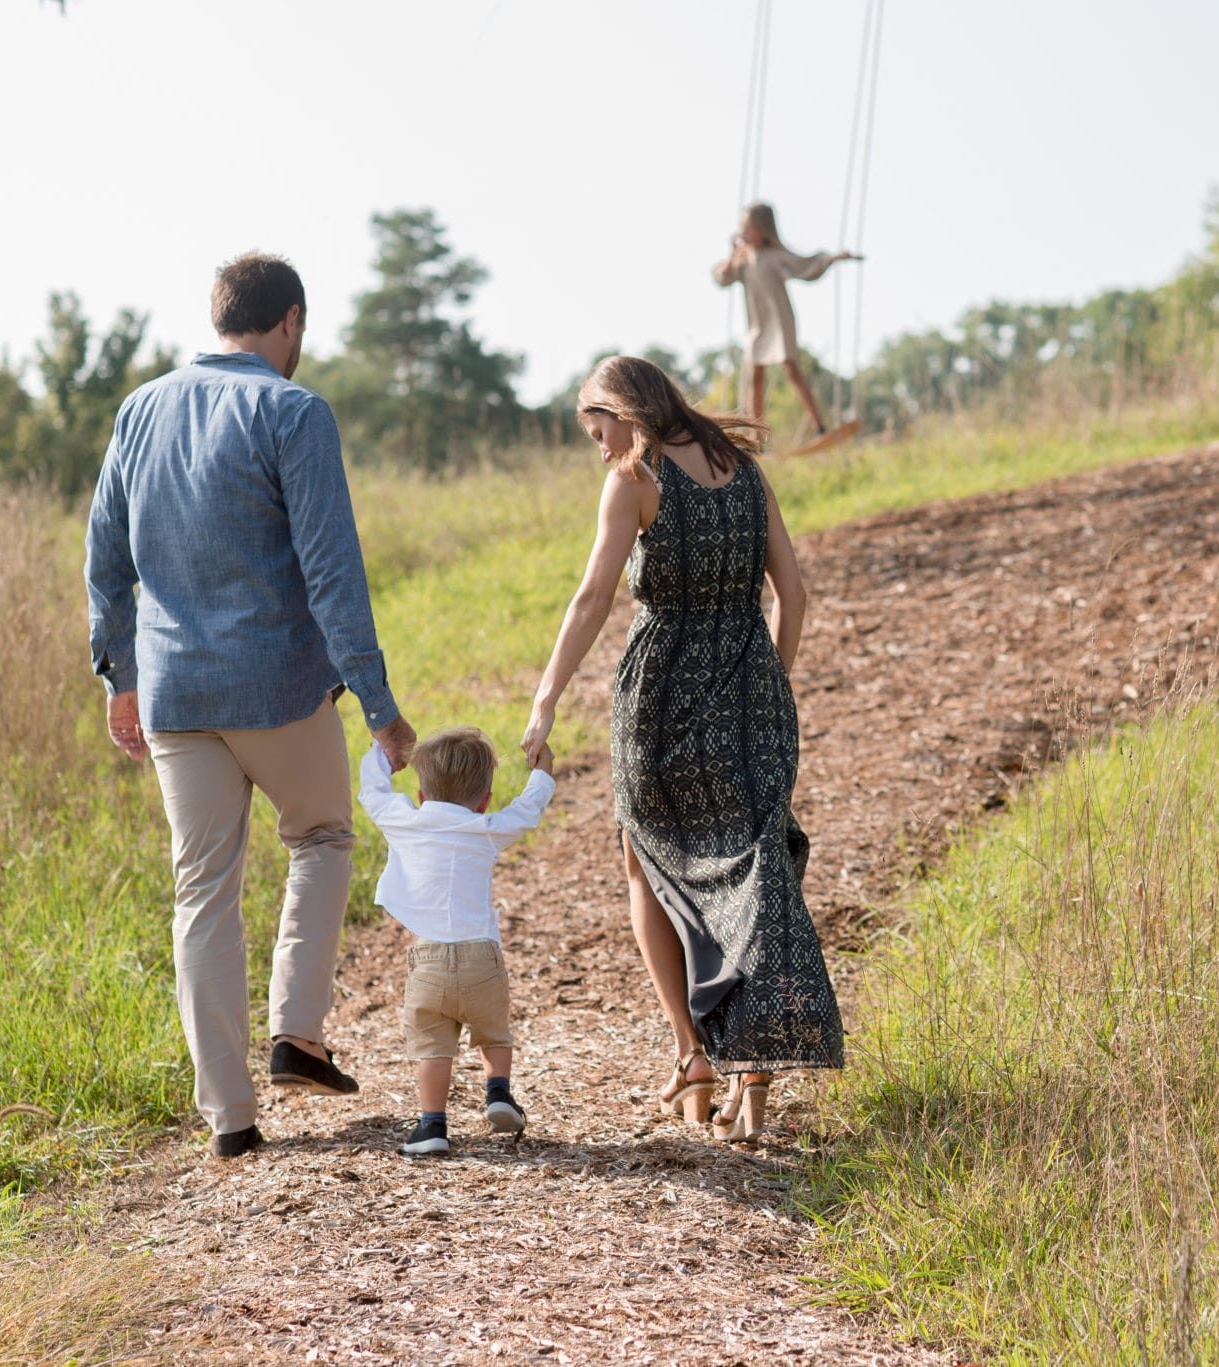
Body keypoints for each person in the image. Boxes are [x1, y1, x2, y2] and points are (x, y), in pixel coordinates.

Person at [85, 252, 415, 1161]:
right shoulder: (294, 411)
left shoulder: (139, 408)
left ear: (219, 316)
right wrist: (380, 705)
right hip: (276, 687)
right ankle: (296, 1034)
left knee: (202, 892)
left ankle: (230, 1118)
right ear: (291, 322)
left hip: (176, 695)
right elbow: (332, 569)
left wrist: (119, 675)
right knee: (320, 836)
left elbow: (104, 559)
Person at [522, 354, 843, 1144]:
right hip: (750, 695)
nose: (600, 449)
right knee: (751, 866)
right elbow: (792, 593)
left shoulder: (637, 477)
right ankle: (751, 1066)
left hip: (659, 700)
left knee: (648, 861)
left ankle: (692, 1049)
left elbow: (595, 596)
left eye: (599, 431)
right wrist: (768, 683)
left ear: (624, 412)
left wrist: (545, 696)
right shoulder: (743, 468)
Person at [359, 726, 555, 1154]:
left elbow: (372, 792)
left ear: (423, 795)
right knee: (494, 1032)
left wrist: (382, 751)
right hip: (481, 956)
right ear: (483, 799)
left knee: (432, 1045)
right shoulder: (484, 828)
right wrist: (543, 772)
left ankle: (432, 1125)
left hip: (428, 960)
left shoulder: (404, 820)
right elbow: (527, 810)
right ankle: (499, 1092)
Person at [712, 202, 859, 435]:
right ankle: (756, 435)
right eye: (743, 228)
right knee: (755, 378)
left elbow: (807, 265)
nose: (744, 233)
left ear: (764, 230)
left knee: (792, 371)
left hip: (780, 321)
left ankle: (819, 425)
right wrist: (732, 253)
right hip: (757, 326)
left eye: (749, 228)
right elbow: (722, 278)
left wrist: (832, 259)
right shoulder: (742, 261)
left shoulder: (776, 256)